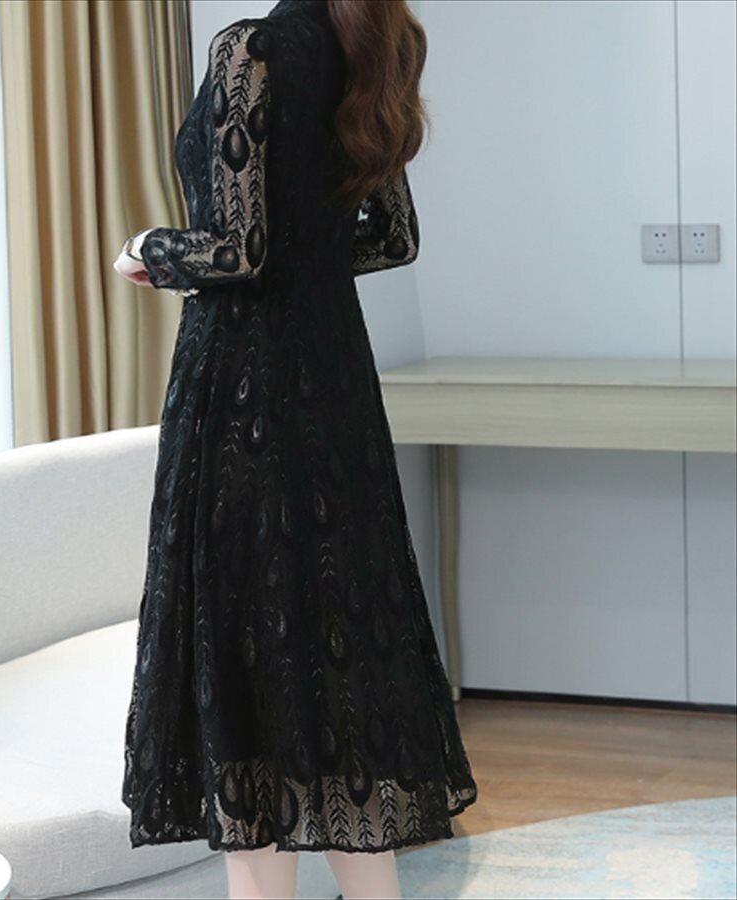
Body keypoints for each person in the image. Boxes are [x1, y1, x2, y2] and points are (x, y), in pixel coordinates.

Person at [113, 1, 477, 897]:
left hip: (243, 392)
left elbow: (239, 251)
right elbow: (393, 238)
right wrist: (307, 262)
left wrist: (149, 250)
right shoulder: (374, 46)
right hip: (335, 384)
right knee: (338, 651)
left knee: (246, 657)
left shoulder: (252, 48)